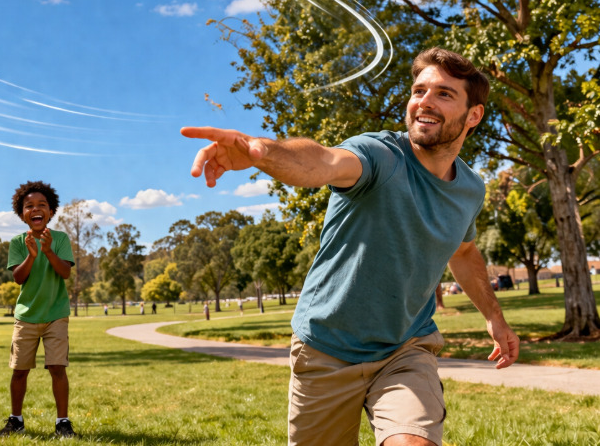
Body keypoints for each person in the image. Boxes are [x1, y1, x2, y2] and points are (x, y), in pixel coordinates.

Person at [182, 48, 520, 446]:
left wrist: (494, 317)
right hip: (325, 349)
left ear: (474, 115)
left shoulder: (469, 189)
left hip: (405, 349)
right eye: (418, 90)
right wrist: (264, 152)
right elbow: (325, 162)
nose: (424, 102)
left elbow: (462, 251)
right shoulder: (380, 156)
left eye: (444, 94)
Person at [0, 181, 76, 439]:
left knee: (57, 368)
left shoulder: (60, 238)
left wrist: (48, 251)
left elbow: (64, 272)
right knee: (19, 370)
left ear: (51, 211)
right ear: (22, 215)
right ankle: (16, 420)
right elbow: (19, 278)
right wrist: (31, 255)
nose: (36, 209)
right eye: (29, 205)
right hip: (26, 316)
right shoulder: (19, 242)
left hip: (56, 315)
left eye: (42, 205)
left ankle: (63, 423)